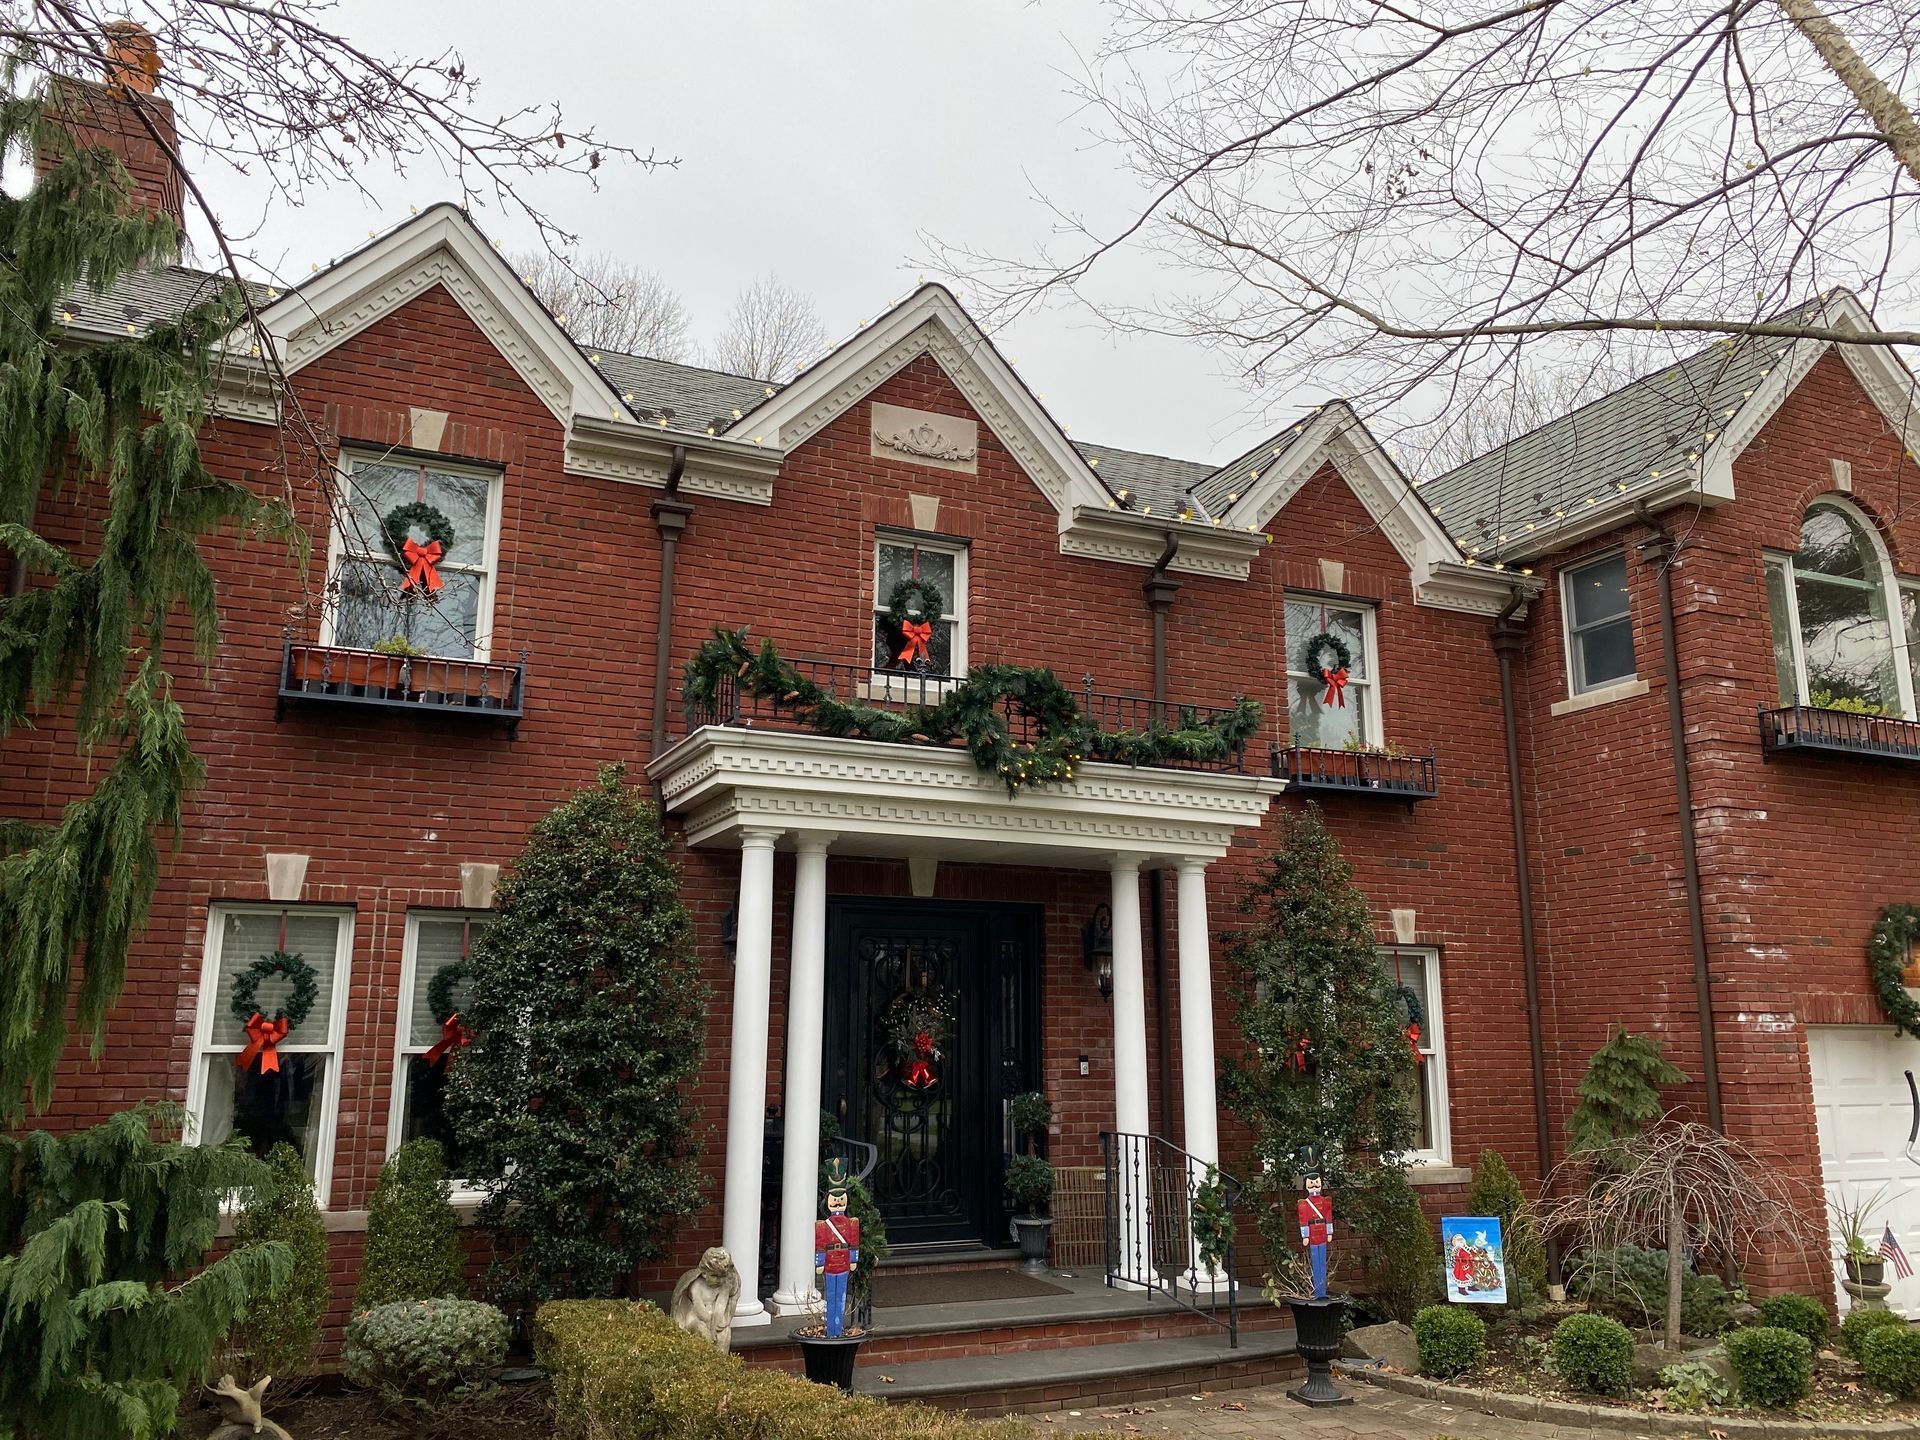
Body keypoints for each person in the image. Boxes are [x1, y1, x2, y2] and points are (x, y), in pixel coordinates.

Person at [815, 1159, 862, 1336]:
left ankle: (838, 1330)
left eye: (841, 1199)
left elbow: (854, 1241)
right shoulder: (823, 1225)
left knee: (841, 1296)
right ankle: (830, 1331)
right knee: (831, 1295)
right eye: (835, 1199)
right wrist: (819, 1262)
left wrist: (853, 1259)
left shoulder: (851, 1223)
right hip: (830, 1262)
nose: (837, 1202)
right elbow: (820, 1244)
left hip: (842, 1261)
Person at [1297, 1170, 1333, 1299]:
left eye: (1316, 1182)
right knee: (1315, 1262)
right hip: (1312, 1234)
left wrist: (1329, 1232)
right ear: (1306, 1185)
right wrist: (1305, 1235)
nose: (1314, 1185)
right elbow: (1303, 1219)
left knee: (1322, 1263)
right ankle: (1317, 1292)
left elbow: (1328, 1216)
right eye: (1311, 1183)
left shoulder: (1325, 1201)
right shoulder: (1304, 1203)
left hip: (1322, 1232)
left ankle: (1322, 1292)